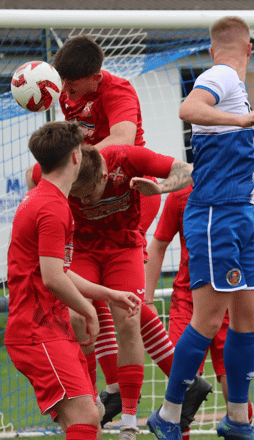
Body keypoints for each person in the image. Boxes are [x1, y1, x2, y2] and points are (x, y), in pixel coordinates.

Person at [146, 16, 254, 440]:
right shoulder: (223, 75)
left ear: (215, 48)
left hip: (240, 215)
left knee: (247, 318)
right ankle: (169, 415)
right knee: (208, 320)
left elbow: (225, 169)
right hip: (215, 218)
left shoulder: (235, 90)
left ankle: (237, 419)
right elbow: (187, 108)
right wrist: (242, 122)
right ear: (248, 49)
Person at [27, 141, 195, 439]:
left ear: (104, 176)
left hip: (123, 245)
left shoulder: (127, 158)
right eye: (78, 197)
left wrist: (161, 188)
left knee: (129, 318)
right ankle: (90, 403)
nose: (86, 203)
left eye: (88, 195)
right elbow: (33, 175)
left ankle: (129, 420)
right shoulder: (67, 170)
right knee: (78, 317)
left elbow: (187, 169)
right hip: (83, 249)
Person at [53, 34, 179, 426]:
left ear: (95, 77)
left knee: (124, 304)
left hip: (130, 193)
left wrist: (72, 162)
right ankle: (106, 393)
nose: (66, 92)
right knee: (97, 306)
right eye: (63, 85)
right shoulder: (66, 95)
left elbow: (122, 139)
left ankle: (168, 387)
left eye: (73, 85)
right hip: (90, 194)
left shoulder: (118, 89)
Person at [4, 121, 140, 440]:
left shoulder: (46, 199)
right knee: (86, 416)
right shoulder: (51, 206)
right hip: (38, 330)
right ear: (76, 157)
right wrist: (89, 310)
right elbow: (52, 278)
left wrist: (108, 294)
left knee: (85, 418)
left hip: (49, 326)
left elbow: (59, 271)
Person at [144, 185, 254, 439]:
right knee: (185, 385)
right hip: (188, 300)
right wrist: (148, 299)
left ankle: (239, 423)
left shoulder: (252, 192)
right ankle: (170, 424)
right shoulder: (180, 194)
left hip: (233, 307)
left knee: (235, 390)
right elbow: (159, 244)